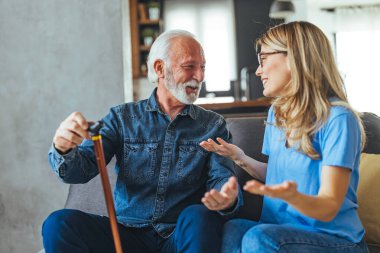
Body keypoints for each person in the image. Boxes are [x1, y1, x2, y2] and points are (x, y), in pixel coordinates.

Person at [42, 29, 243, 253]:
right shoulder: (121, 118)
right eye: (189, 67)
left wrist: (227, 197)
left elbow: (222, 178)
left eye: (202, 67)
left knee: (198, 214)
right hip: (126, 234)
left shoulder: (213, 125)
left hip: (178, 236)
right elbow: (79, 171)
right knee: (58, 223)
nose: (199, 76)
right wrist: (62, 148)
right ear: (159, 68)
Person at [200, 21, 369, 253]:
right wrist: (239, 158)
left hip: (334, 240)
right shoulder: (277, 113)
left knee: (259, 238)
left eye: (263, 60)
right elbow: (277, 174)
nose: (258, 71)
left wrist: (294, 197)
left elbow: (329, 206)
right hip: (282, 232)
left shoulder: (338, 119)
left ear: (294, 58)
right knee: (234, 229)